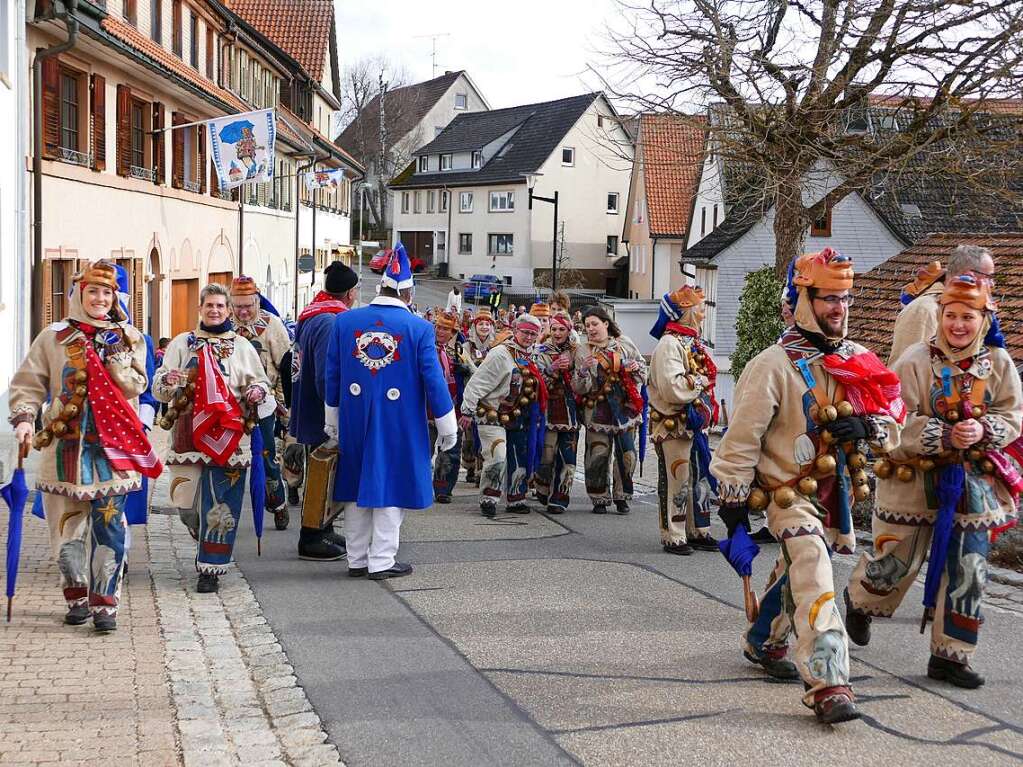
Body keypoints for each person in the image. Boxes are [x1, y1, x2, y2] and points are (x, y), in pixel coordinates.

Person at [710, 248, 904, 725]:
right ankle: (830, 681)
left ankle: (763, 638)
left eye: (845, 299)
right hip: (787, 495)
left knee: (798, 568)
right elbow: (740, 441)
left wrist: (868, 429)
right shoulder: (771, 365)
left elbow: (894, 420)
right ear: (803, 300)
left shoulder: (860, 360)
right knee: (814, 562)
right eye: (828, 299)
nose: (839, 308)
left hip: (835, 492)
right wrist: (733, 508)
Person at [844, 273, 1021, 688]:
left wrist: (983, 430)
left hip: (971, 484)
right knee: (895, 563)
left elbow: (1014, 416)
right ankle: (859, 601)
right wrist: (940, 434)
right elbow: (890, 418)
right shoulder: (914, 362)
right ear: (939, 315)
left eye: (968, 317)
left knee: (968, 569)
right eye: (951, 315)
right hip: (913, 480)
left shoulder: (998, 364)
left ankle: (950, 655)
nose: (958, 325)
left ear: (984, 319)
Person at [9, 260, 158, 631]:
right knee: (66, 527)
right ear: (79, 294)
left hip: (112, 451)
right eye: (92, 291)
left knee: (111, 527)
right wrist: (25, 417)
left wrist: (117, 361)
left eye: (106, 293)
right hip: (64, 449)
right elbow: (29, 381)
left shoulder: (129, 337)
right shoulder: (53, 336)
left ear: (114, 297)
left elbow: (138, 386)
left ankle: (105, 604)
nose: (99, 299)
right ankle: (76, 594)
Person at [324, 244, 456, 579]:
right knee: (390, 487)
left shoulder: (345, 321)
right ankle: (381, 559)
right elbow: (434, 381)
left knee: (354, 486)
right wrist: (446, 424)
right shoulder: (418, 329)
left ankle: (355, 558)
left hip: (353, 418)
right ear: (408, 291)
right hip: (399, 423)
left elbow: (332, 374)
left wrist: (332, 418)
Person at [154, 283, 271, 594]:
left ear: (228, 310)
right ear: (201, 309)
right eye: (210, 306)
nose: (215, 310)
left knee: (222, 505)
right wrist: (168, 380)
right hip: (188, 433)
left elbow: (261, 383)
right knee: (186, 505)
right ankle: (199, 530)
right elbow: (159, 385)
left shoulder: (242, 347)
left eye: (221, 306)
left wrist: (257, 391)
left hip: (230, 436)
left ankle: (211, 568)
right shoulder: (182, 344)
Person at [287, 261, 359, 561]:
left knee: (325, 474)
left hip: (309, 405)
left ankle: (323, 528)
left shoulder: (314, 312)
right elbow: (325, 374)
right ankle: (311, 537)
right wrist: (336, 413)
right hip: (321, 411)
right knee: (321, 474)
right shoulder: (331, 321)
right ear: (351, 293)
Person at [648, 286, 719, 554]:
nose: (702, 313)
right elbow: (672, 388)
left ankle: (698, 529)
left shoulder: (689, 342)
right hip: (673, 424)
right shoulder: (669, 344)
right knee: (677, 476)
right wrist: (700, 381)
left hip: (692, 425)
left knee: (698, 476)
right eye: (698, 308)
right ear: (684, 312)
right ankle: (673, 534)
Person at [459, 313, 545, 517]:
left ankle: (516, 499)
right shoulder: (501, 354)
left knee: (519, 457)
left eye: (534, 334)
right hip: (492, 413)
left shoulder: (532, 355)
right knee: (498, 456)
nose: (529, 337)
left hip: (518, 415)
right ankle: (489, 498)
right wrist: (467, 410)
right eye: (525, 332)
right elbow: (477, 383)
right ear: (515, 331)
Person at [230, 276, 292, 531]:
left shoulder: (272, 325)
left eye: (248, 306)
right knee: (228, 460)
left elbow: (285, 366)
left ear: (257, 301)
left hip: (264, 404)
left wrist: (284, 404)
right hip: (231, 404)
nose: (243, 312)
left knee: (266, 457)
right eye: (238, 306)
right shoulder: (224, 324)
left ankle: (277, 501)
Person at [573, 306, 647, 515]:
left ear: (606, 323)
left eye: (595, 324)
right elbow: (578, 387)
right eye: (587, 326)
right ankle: (599, 497)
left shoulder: (624, 343)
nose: (591, 329)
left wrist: (635, 368)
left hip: (624, 408)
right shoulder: (583, 350)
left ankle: (622, 496)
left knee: (627, 454)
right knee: (597, 453)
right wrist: (584, 371)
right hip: (597, 409)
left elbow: (642, 369)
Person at [888, 244, 996, 365]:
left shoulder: (979, 313)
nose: (992, 284)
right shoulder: (923, 310)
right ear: (969, 274)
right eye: (989, 277)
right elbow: (904, 372)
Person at [532, 311, 579, 514]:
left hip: (570, 412)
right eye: (554, 329)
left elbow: (583, 385)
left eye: (562, 329)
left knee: (568, 458)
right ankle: (542, 486)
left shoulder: (577, 352)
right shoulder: (540, 351)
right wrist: (551, 369)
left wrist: (583, 371)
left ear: (569, 331)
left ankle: (561, 496)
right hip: (549, 410)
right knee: (547, 454)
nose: (558, 333)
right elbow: (535, 381)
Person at [431, 311, 470, 503]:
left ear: (453, 332)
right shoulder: (426, 348)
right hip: (427, 408)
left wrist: (465, 372)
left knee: (451, 450)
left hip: (452, 407)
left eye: (445, 329)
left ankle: (443, 488)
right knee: (422, 449)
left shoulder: (458, 352)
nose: (440, 331)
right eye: (438, 327)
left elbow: (475, 374)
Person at [460, 308, 497, 484]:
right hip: (471, 392)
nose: (484, 327)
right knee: (469, 435)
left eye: (487, 324)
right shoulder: (467, 346)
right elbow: (464, 362)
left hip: (489, 396)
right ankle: (469, 465)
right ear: (475, 326)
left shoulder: (496, 346)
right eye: (481, 323)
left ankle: (481, 469)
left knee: (484, 434)